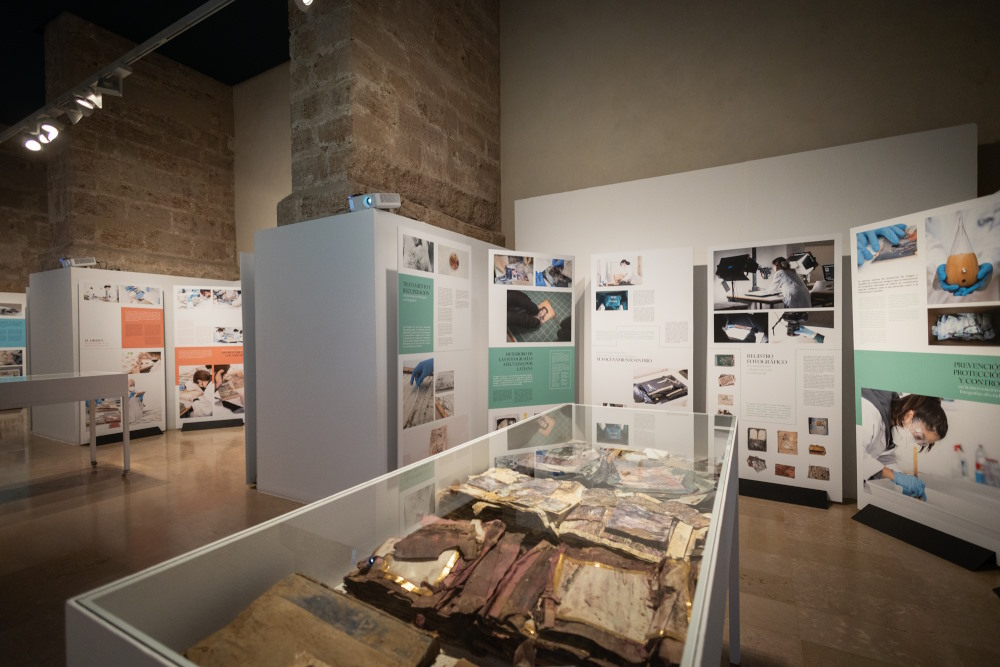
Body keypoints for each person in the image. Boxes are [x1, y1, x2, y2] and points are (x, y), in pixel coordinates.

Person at [859, 389, 948, 501]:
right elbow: (857, 456)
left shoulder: (890, 424)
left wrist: (903, 480)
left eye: (923, 443)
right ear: (908, 416)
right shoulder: (870, 412)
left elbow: (884, 457)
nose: (915, 442)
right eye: (919, 437)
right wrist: (894, 476)